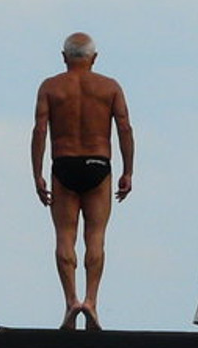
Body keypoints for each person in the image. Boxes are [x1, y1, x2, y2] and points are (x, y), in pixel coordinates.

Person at [32, 31, 133, 329]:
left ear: (64, 57)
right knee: (96, 236)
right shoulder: (109, 87)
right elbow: (125, 128)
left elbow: (39, 130)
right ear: (94, 58)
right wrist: (128, 171)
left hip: (63, 164)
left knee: (65, 236)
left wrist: (37, 173)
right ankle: (91, 302)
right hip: (98, 164)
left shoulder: (50, 87)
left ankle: (70, 303)